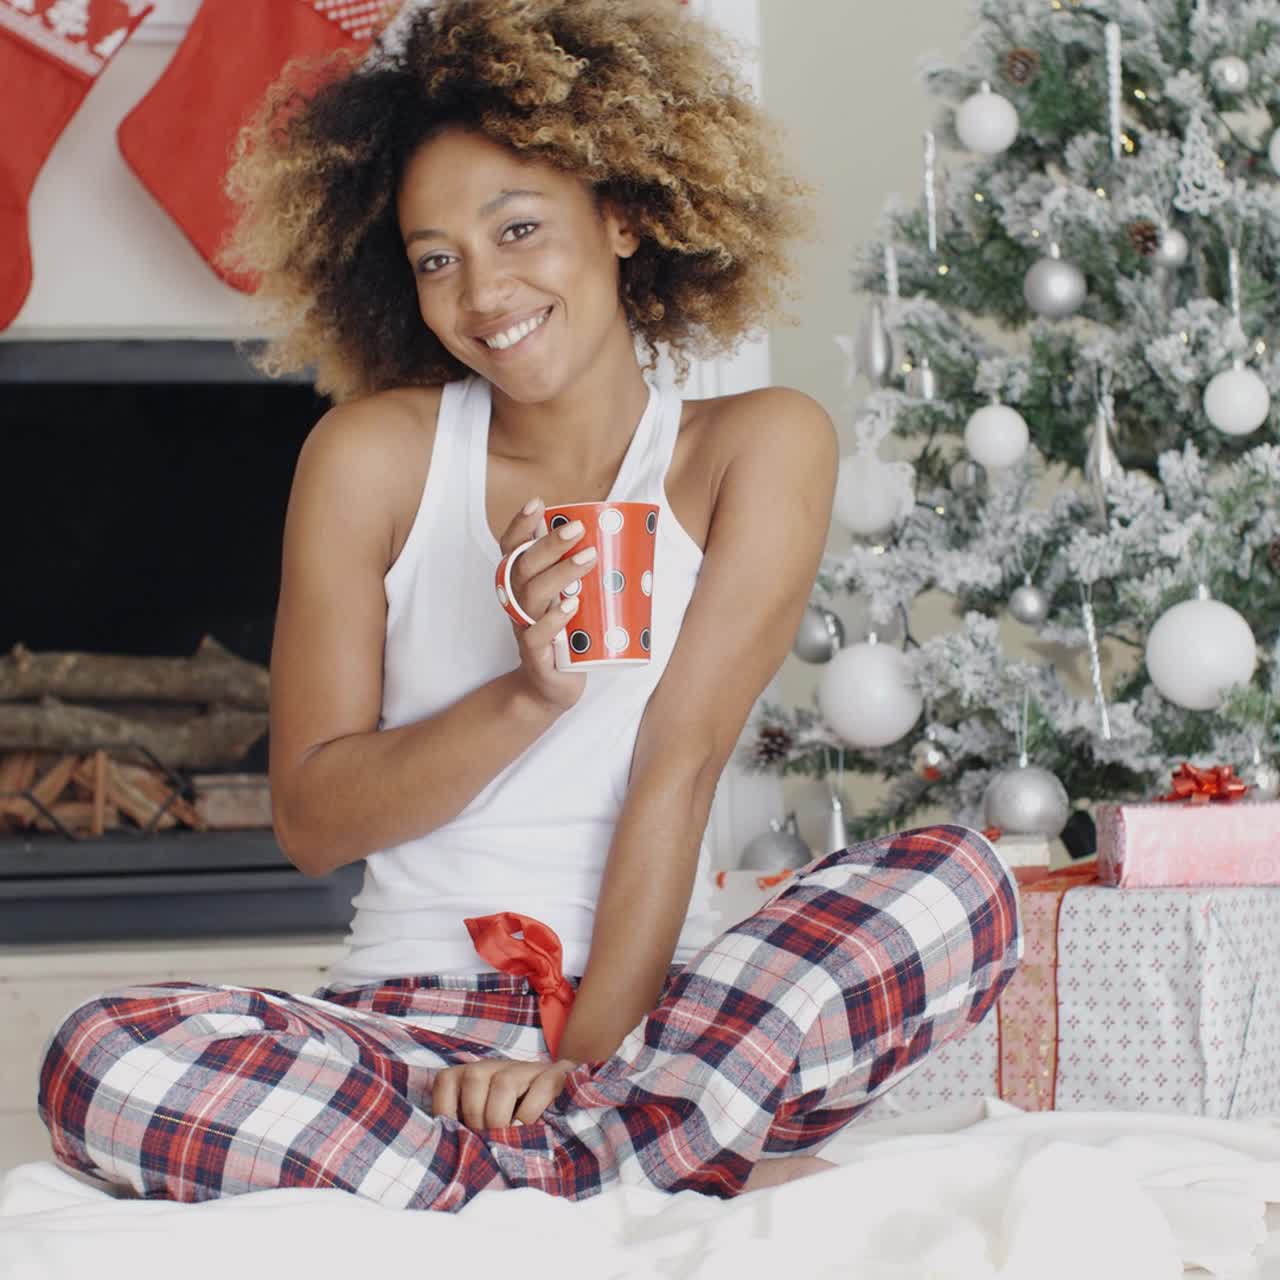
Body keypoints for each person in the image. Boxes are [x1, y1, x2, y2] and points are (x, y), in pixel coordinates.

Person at [38, 0, 1021, 1212]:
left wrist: (577, 1065)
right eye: (435, 257)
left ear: (621, 215)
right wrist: (528, 694)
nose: (482, 289)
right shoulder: (369, 458)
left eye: (517, 229)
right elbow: (311, 822)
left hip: (664, 1023)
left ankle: (549, 1158)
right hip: (405, 1040)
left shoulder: (754, 446)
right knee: (101, 1057)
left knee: (960, 884)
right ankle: (634, 1165)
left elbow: (677, 767)